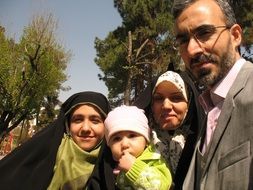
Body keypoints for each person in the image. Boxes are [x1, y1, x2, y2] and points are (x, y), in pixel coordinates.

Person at [172, 0, 253, 189]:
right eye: (183, 40)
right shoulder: (210, 106)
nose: (192, 50)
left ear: (235, 36)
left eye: (204, 33)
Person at [0, 91, 117, 190]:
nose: (85, 128)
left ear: (106, 125)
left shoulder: (120, 162)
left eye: (95, 120)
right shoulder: (47, 153)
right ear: (67, 125)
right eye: (78, 120)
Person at [134, 70, 205, 189]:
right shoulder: (135, 140)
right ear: (151, 104)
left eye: (176, 98)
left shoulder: (206, 142)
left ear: (189, 103)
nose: (166, 106)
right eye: (158, 98)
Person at [104, 105, 172, 190]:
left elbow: (161, 187)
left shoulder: (153, 160)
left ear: (146, 140)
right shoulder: (109, 167)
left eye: (132, 136)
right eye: (117, 139)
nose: (125, 144)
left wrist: (133, 168)